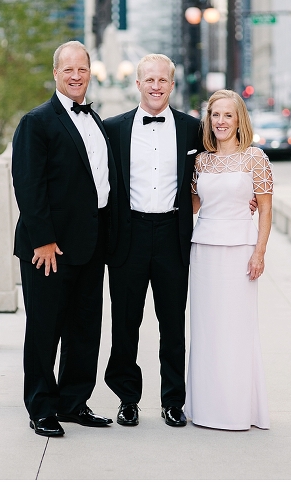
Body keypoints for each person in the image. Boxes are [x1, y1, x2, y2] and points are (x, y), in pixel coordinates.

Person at [11, 41, 116, 437]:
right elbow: (28, 184)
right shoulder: (36, 122)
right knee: (44, 329)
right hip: (49, 249)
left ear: (91, 73)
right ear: (55, 73)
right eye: (68, 69)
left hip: (90, 245)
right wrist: (42, 240)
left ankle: (74, 402)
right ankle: (41, 408)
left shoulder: (96, 121)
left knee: (84, 329)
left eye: (82, 69)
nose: (76, 76)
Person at [103, 54, 204, 428]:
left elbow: (213, 171)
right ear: (139, 84)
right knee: (125, 322)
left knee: (172, 322)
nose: (156, 86)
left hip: (173, 236)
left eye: (163, 80)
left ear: (172, 85)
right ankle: (127, 398)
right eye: (149, 80)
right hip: (128, 236)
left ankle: (172, 401)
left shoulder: (193, 129)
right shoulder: (113, 128)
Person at [185, 90, 273, 430]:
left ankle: (238, 410)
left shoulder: (255, 158)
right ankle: (206, 409)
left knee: (236, 329)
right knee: (207, 330)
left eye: (228, 115)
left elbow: (264, 208)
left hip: (240, 251)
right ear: (209, 120)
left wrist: (259, 252)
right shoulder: (201, 161)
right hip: (204, 250)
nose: (221, 121)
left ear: (239, 120)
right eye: (215, 115)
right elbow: (195, 204)